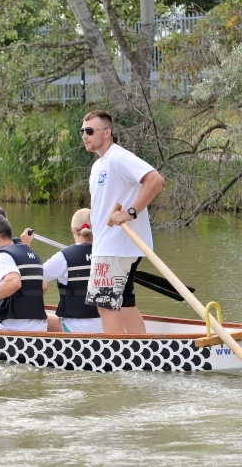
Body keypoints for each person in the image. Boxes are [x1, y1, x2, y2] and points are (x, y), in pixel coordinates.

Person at [81, 110, 164, 334]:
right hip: (110, 245)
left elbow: (154, 179)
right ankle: (141, 353)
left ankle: (115, 359)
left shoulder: (119, 157)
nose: (84, 135)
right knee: (124, 302)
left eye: (90, 131)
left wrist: (131, 211)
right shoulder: (99, 165)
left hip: (116, 246)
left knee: (105, 304)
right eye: (82, 131)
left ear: (107, 132)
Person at [26, 209, 102, 333]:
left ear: (72, 230)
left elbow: (33, 277)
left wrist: (26, 247)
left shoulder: (64, 257)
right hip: (107, 325)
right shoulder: (105, 255)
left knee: (36, 317)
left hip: (75, 328)